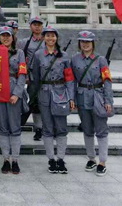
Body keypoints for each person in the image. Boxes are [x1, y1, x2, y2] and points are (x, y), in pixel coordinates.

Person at [32, 26, 75, 174]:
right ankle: (51, 159)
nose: (50, 38)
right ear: (44, 37)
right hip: (44, 93)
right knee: (47, 127)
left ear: (57, 38)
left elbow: (69, 78)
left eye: (53, 36)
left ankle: (61, 159)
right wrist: (33, 96)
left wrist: (71, 97)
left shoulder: (64, 56)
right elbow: (36, 78)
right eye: (48, 36)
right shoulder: (38, 55)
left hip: (61, 93)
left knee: (61, 127)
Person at [71, 30, 113, 176]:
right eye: (83, 42)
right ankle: (91, 158)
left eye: (88, 42)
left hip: (98, 97)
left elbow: (107, 81)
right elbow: (73, 81)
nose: (85, 44)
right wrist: (73, 98)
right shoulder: (74, 59)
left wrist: (108, 101)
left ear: (93, 43)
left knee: (101, 130)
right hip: (82, 97)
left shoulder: (101, 60)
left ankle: (102, 161)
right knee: (87, 129)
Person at [0, 26, 27, 175]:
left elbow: (22, 74)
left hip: (14, 89)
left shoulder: (19, 53)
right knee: (2, 127)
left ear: (12, 38)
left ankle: (15, 160)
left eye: (8, 36)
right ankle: (5, 159)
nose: (6, 38)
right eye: (3, 36)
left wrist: (17, 93)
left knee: (14, 127)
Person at [18, 16, 45, 141]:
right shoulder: (24, 42)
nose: (37, 26)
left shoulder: (48, 41)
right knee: (34, 104)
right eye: (34, 24)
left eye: (39, 24)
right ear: (30, 26)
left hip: (46, 77)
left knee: (46, 103)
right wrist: (26, 76)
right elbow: (22, 61)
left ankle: (49, 127)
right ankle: (38, 128)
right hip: (32, 77)